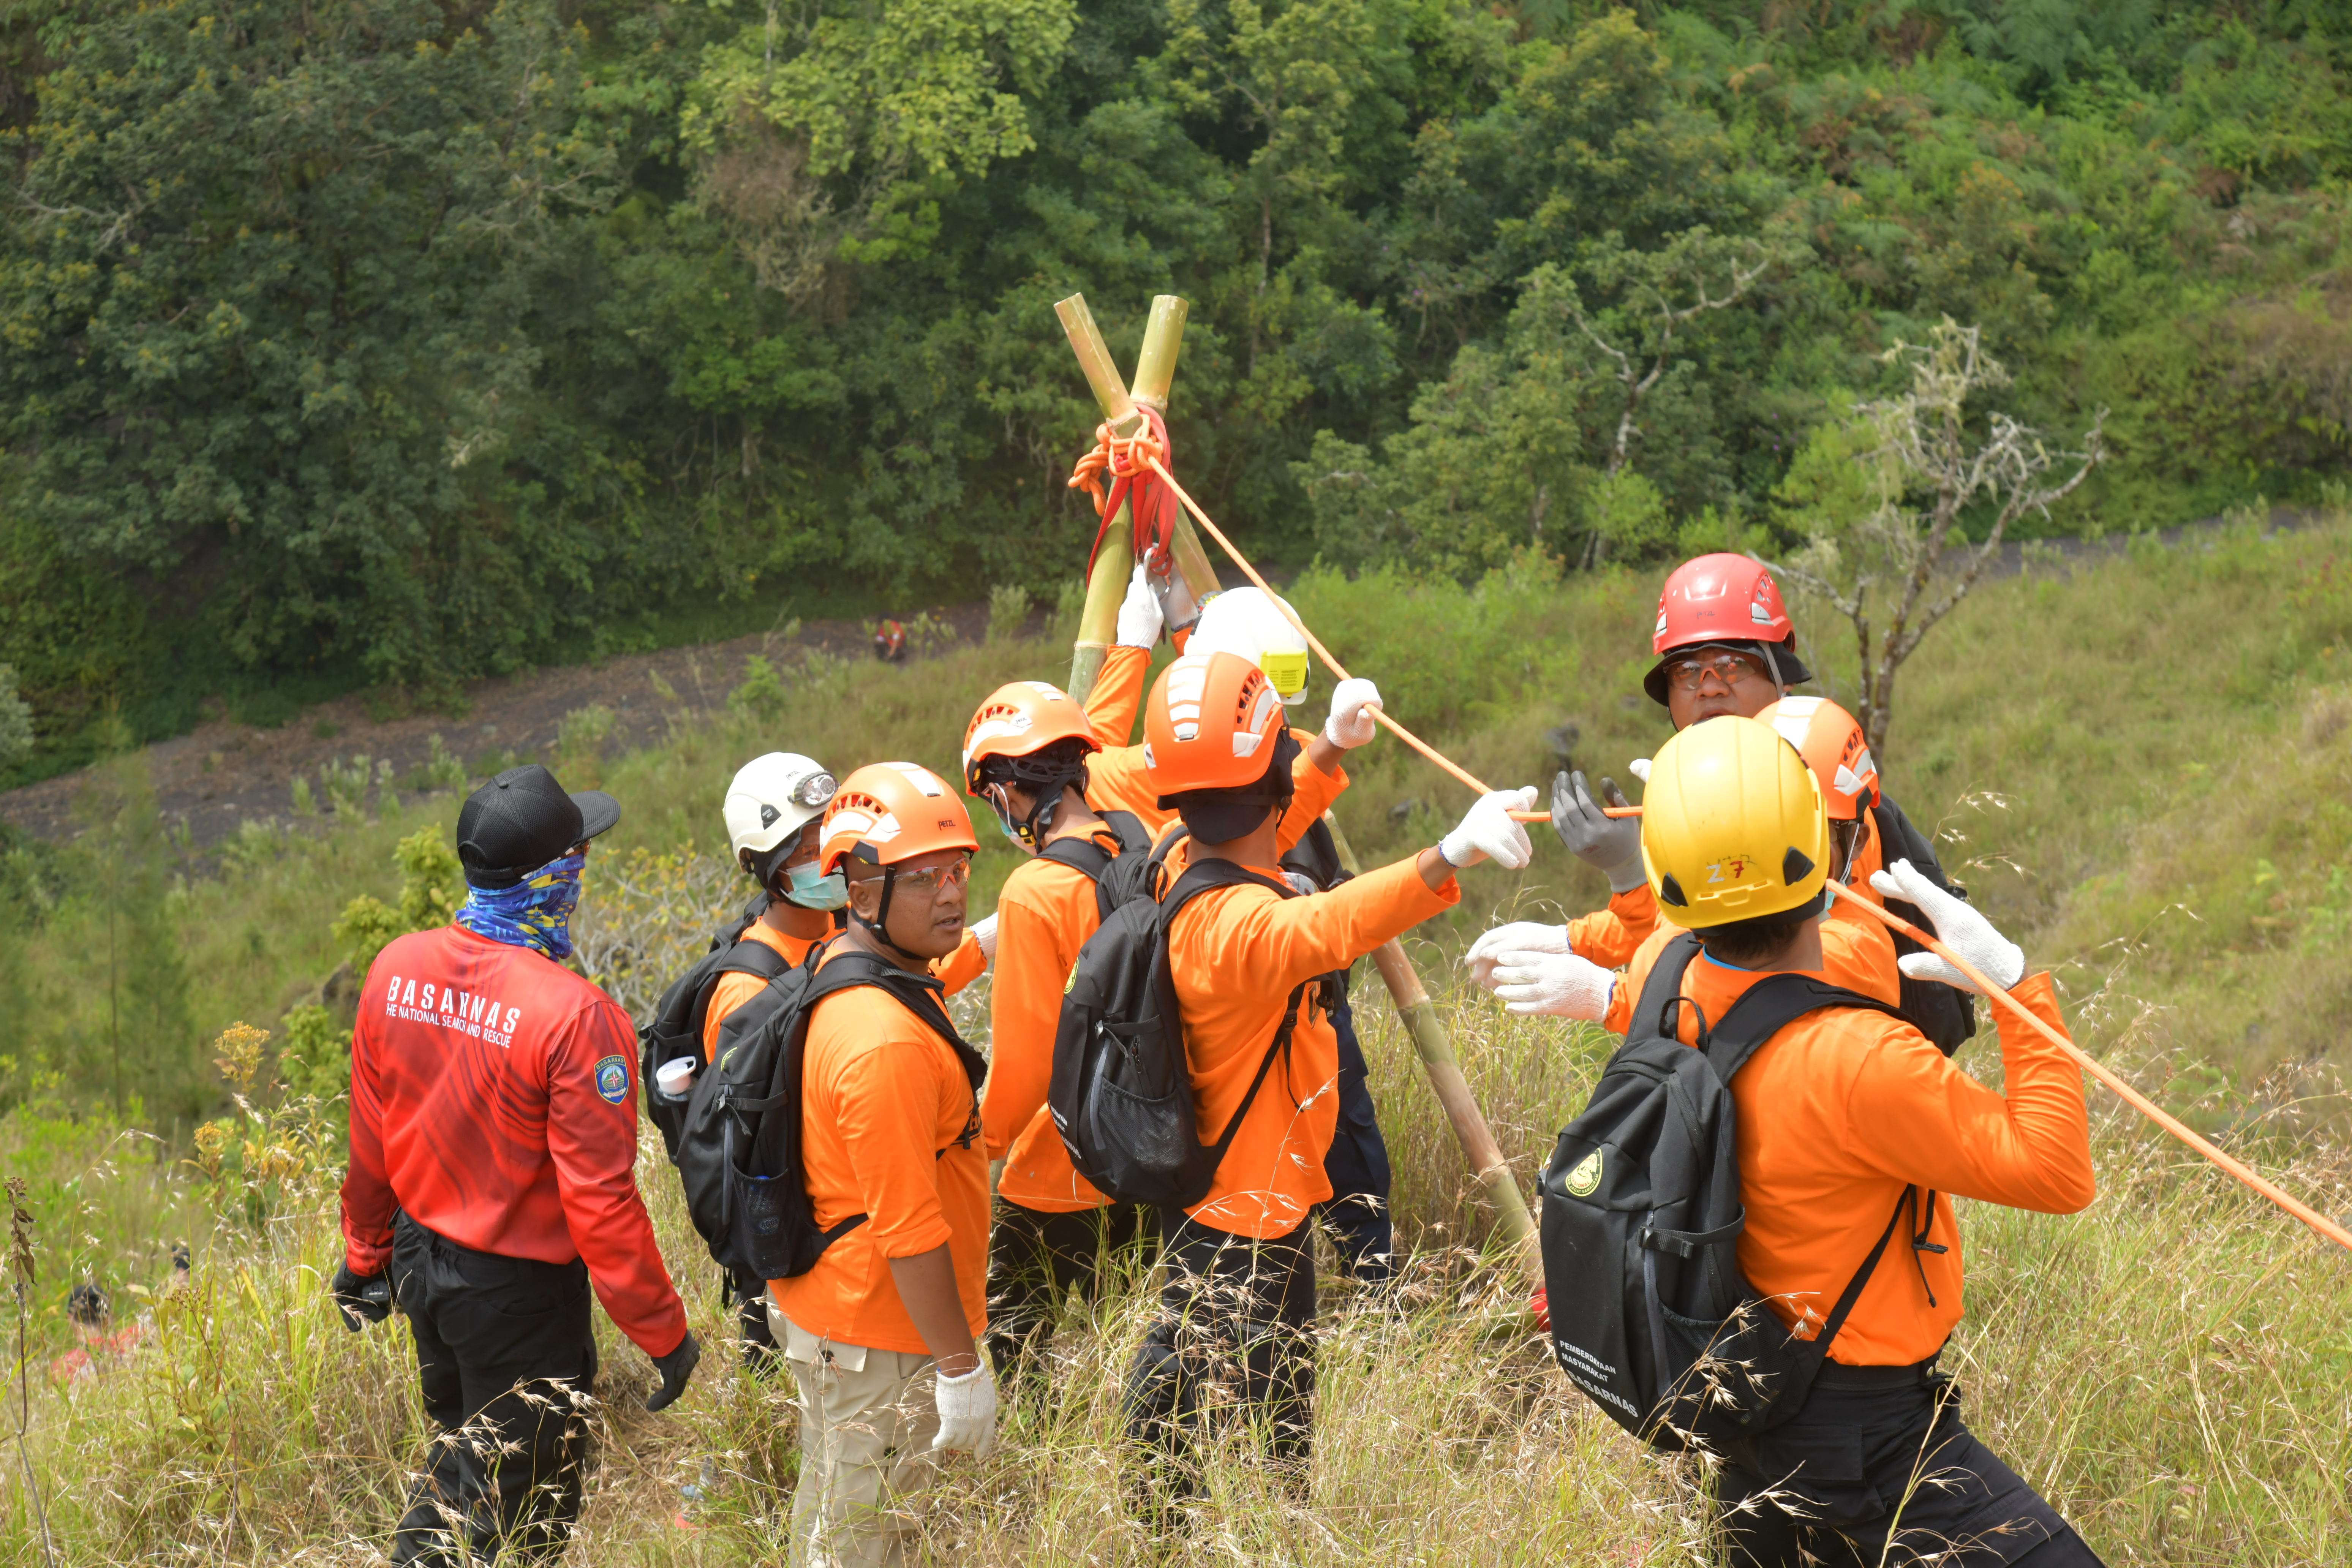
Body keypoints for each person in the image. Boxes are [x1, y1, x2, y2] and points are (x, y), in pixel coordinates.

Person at [1617, 717, 2103, 1567]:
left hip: (1735, 1391)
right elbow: (2056, 1171)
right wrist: (2017, 987)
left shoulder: (1659, 984)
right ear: (1827, 852)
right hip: (1862, 1429)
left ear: (1664, 881)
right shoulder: (1860, 1058)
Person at [1121, 650, 1533, 1507]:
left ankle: (1194, 1522)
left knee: (1216, 1392)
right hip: (1246, 1213)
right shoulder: (1237, 930)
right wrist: (1445, 855)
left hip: (1220, 1189)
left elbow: (1257, 833)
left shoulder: (1184, 858)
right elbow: (1329, 923)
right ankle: (1216, 1530)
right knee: (1253, 1426)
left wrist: (1328, 751)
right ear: (1268, 772)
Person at [965, 661, 1383, 1393]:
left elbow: (1026, 1073)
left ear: (1007, 793)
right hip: (1154, 1150)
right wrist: (1326, 751)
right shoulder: (1150, 844)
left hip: (1057, 1173)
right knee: (1148, 1334)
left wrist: (969, 1149)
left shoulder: (1033, 892)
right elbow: (1258, 832)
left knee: (1017, 1359)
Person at [336, 763, 699, 1566]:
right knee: (516, 1515)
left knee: (462, 1470)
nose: (585, 873)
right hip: (516, 1296)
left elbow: (371, 1138)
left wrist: (365, 1254)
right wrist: (663, 1332)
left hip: (421, 1267)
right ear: (553, 877)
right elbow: (600, 1202)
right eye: (580, 859)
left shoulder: (395, 969)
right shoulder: (576, 1016)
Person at [766, 762, 996, 1568]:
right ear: (861, 891)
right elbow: (908, 1227)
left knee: (834, 1521)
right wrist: (960, 1370)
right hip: (882, 1334)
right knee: (866, 1543)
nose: (950, 894)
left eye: (957, 869)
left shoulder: (853, 965)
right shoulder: (884, 1042)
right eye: (924, 878)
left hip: (844, 1317)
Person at [1471, 695, 1902, 1029]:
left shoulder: (1855, 949)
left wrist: (1611, 995)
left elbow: (1726, 993)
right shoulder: (1800, 887)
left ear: (1855, 838)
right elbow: (1708, 920)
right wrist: (1572, 940)